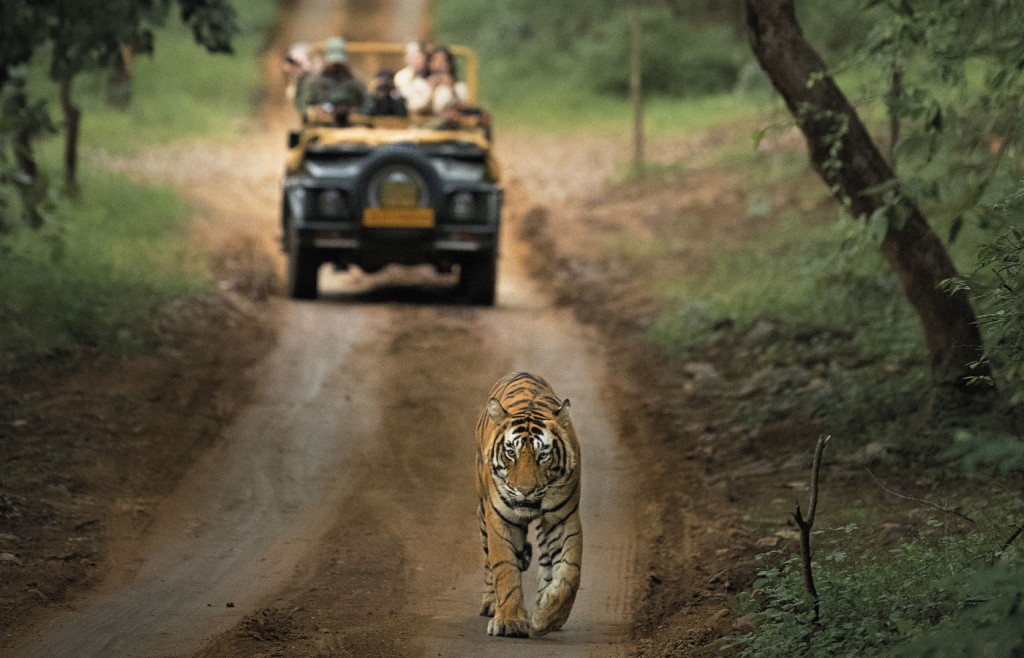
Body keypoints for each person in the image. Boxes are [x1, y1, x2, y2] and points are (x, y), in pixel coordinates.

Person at [304, 37, 365, 126]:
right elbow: (307, 107)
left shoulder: (355, 83)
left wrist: (352, 111)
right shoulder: (315, 82)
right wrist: (317, 110)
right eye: (333, 62)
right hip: (322, 129)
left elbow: (365, 105)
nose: (336, 65)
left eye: (338, 63)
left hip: (351, 130)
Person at [405, 45, 468, 116]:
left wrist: (451, 88)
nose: (439, 65)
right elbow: (414, 108)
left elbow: (463, 108)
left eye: (443, 61)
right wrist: (430, 90)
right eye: (435, 60)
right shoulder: (418, 85)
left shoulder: (459, 88)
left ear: (450, 65)